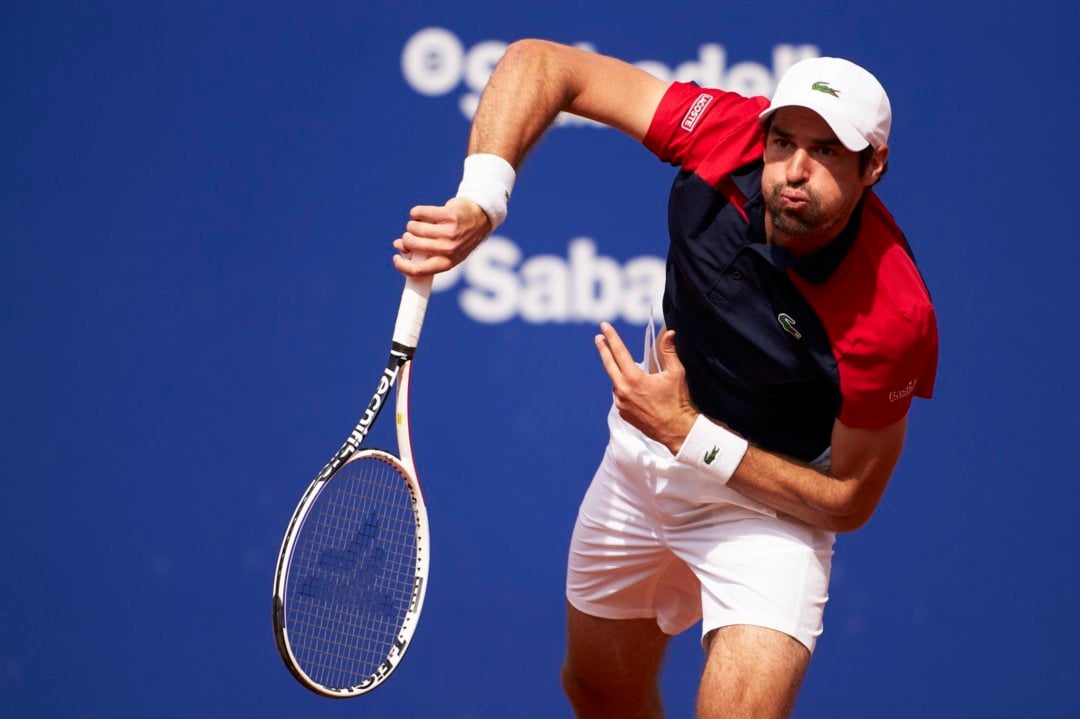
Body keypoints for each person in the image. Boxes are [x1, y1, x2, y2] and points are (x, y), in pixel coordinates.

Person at [393, 39, 938, 719]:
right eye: (783, 140)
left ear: (873, 165)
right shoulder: (725, 135)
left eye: (826, 152)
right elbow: (546, 64)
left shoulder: (890, 312)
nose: (794, 169)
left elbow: (849, 500)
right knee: (597, 690)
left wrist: (694, 436)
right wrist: (482, 201)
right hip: (645, 451)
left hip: (771, 504)